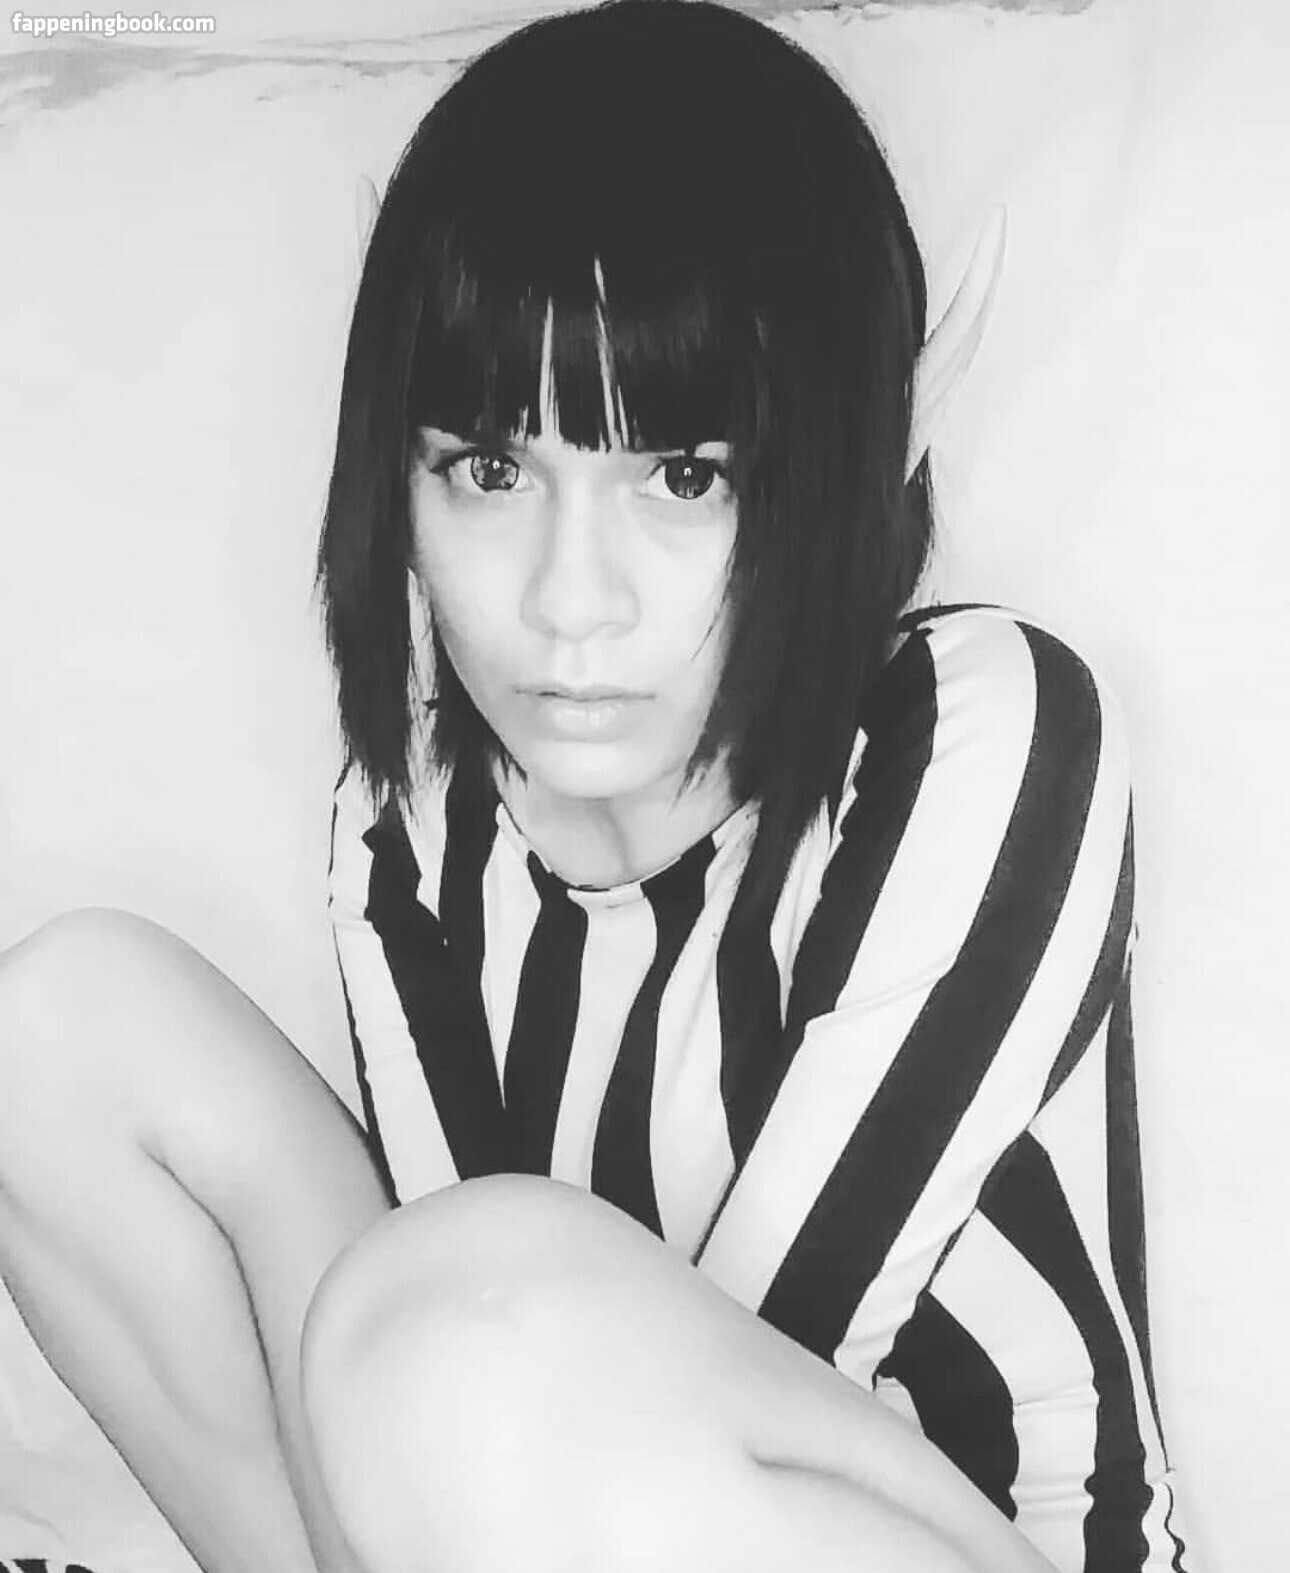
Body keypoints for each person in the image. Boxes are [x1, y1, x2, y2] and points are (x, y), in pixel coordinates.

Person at [0, 2, 1188, 1571]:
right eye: (491, 469)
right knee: (56, 1033)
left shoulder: (973, 731)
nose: (571, 602)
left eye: (683, 476)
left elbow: (742, 1360)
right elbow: (412, 1389)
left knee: (474, 1339)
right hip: (515, 1496)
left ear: (839, 467)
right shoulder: (413, 824)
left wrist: (447, 1385)